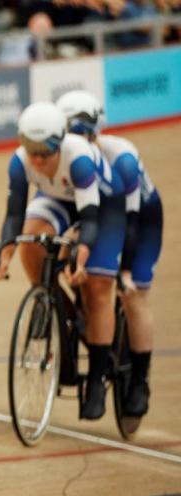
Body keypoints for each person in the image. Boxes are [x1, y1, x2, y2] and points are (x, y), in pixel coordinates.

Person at [0, 102, 125, 420]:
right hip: (59, 198)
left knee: (96, 287)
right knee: (31, 240)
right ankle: (54, 303)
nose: (37, 160)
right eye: (31, 151)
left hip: (102, 207)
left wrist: (82, 253)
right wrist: (4, 255)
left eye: (45, 153)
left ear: (60, 144)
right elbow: (14, 216)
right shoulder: (19, 161)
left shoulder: (78, 159)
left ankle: (96, 379)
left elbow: (89, 220)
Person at [56, 90, 163, 417]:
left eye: (78, 134)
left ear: (93, 132)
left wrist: (125, 272)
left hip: (140, 220)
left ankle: (141, 380)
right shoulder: (68, 158)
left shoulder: (123, 159)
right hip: (98, 214)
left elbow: (130, 222)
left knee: (133, 296)